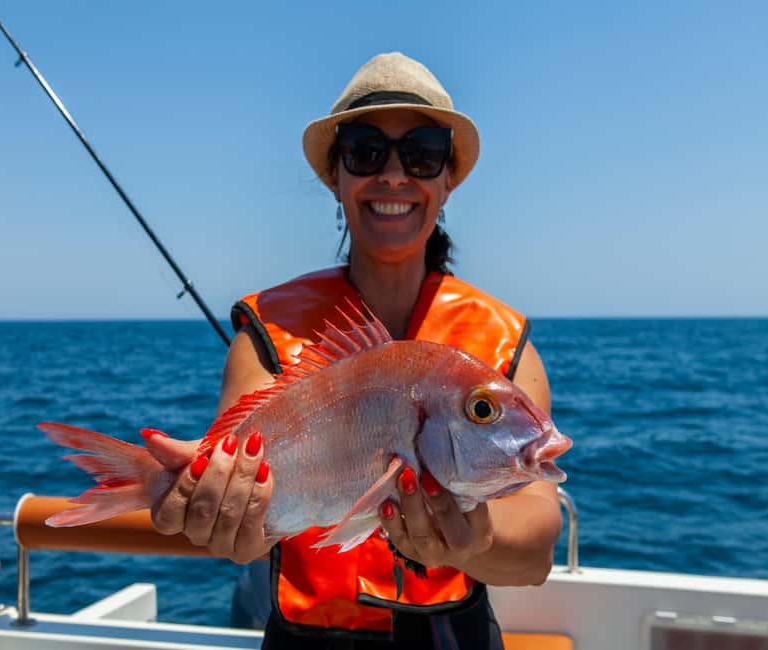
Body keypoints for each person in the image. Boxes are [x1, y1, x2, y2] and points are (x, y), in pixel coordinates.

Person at [144, 52, 563, 649]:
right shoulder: (265, 335)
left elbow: (538, 543)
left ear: (449, 178)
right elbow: (249, 504)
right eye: (366, 150)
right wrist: (222, 515)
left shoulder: (503, 345)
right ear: (335, 176)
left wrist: (480, 540)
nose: (394, 175)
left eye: (422, 153)